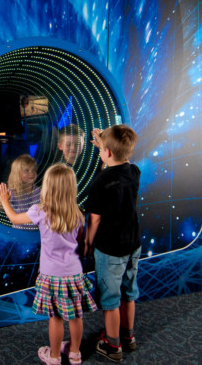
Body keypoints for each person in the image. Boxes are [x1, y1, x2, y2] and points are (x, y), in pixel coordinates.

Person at [0, 163, 97, 365]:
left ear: (47, 187)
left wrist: (4, 201)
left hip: (52, 275)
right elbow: (79, 240)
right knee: (76, 315)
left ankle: (54, 357)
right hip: (74, 273)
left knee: (56, 317)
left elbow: (15, 219)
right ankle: (75, 354)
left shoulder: (39, 211)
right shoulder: (77, 213)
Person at [84, 125, 140, 363]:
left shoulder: (99, 182)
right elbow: (117, 167)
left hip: (110, 247)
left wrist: (87, 243)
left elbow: (94, 219)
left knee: (110, 299)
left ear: (106, 152)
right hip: (132, 243)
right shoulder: (134, 171)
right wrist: (104, 143)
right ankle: (128, 338)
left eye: (101, 150)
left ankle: (112, 345)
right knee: (129, 293)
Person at [0, 154, 40, 230]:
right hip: (19, 232)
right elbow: (0, 207)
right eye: (26, 171)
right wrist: (2, 202)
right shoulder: (12, 192)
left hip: (36, 233)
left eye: (34, 170)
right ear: (17, 173)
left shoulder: (40, 191)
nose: (31, 173)